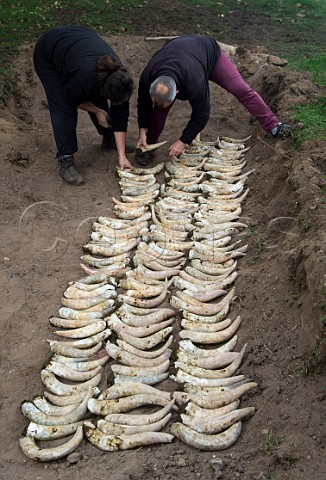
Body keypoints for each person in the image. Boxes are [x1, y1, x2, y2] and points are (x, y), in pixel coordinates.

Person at [136, 34, 304, 166]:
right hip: (181, 51)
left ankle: (274, 126)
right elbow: (143, 103)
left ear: (177, 92)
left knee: (240, 89)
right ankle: (148, 146)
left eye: (169, 101)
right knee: (159, 110)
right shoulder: (148, 77)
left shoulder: (194, 81)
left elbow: (202, 113)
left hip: (209, 54)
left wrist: (183, 141)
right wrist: (142, 129)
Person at [33, 25, 134, 185]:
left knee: (97, 95)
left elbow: (121, 114)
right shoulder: (85, 77)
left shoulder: (121, 78)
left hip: (78, 44)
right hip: (48, 53)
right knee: (64, 108)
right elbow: (73, 98)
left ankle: (109, 139)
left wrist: (122, 155)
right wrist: (97, 111)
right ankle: (65, 160)